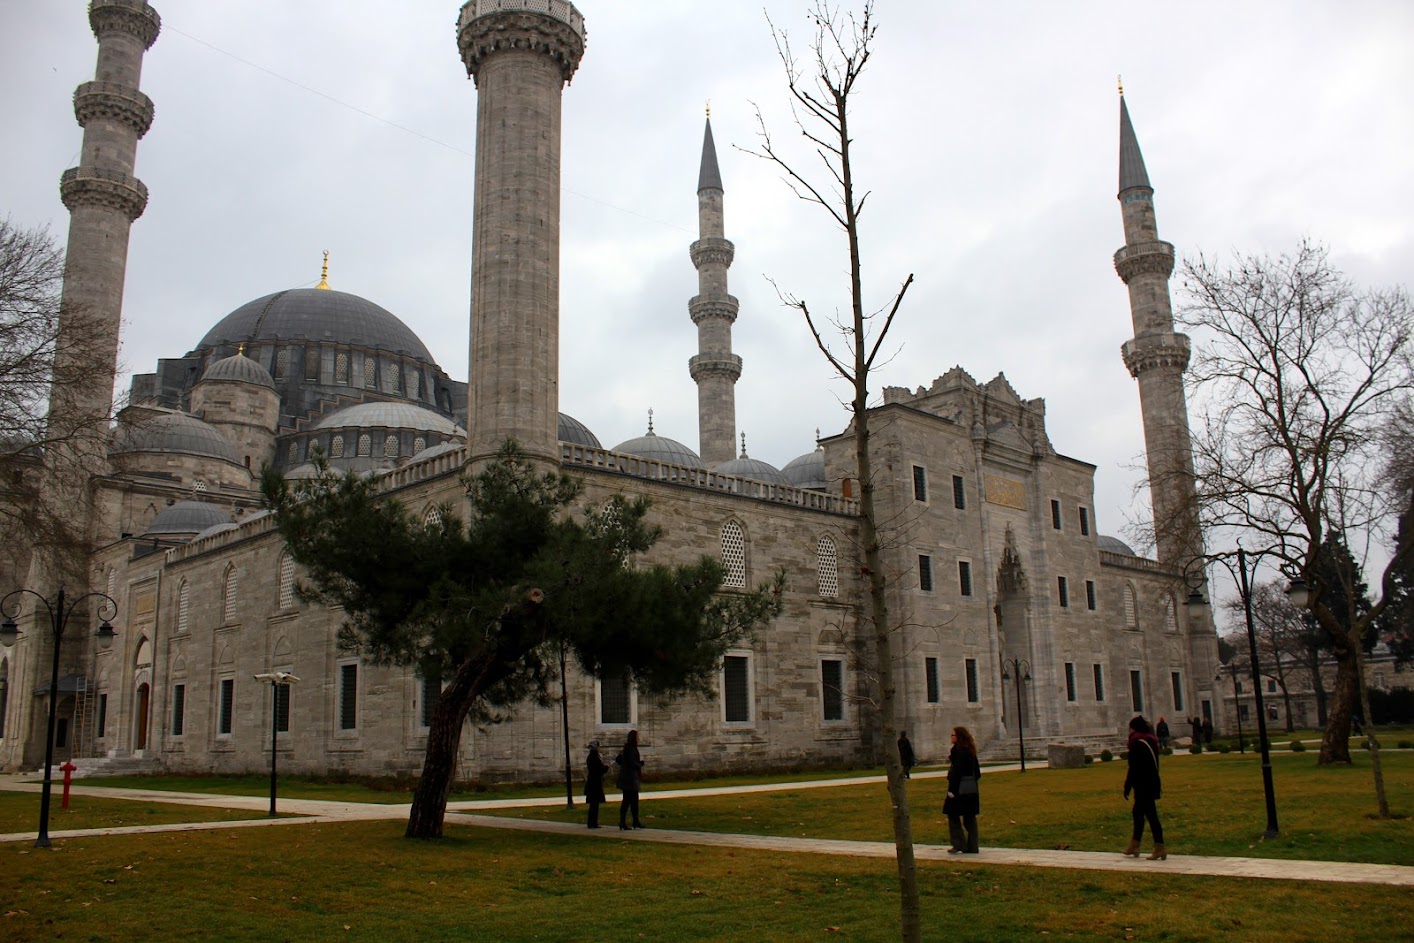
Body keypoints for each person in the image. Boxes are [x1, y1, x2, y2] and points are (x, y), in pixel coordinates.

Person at [1123, 715, 1166, 860]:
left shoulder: (1137, 743)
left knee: (1150, 815)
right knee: (1139, 813)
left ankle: (1159, 847)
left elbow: (1133, 767)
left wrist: (1127, 786)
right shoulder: (1151, 741)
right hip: (1152, 782)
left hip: (1142, 785)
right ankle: (1135, 845)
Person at [943, 725, 981, 854]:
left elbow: (956, 772)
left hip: (958, 789)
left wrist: (952, 790)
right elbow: (977, 772)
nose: (951, 738)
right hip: (970, 788)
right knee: (969, 817)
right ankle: (973, 846)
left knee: (952, 814)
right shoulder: (970, 750)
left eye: (952, 735)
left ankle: (958, 844)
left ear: (958, 737)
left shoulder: (958, 751)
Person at [615, 729, 645, 830]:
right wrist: (639, 764)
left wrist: (624, 766)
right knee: (630, 801)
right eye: (637, 736)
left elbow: (619, 759)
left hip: (626, 778)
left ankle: (631, 821)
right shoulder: (631, 748)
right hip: (630, 779)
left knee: (629, 801)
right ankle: (627, 822)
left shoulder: (626, 748)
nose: (639, 738)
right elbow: (632, 762)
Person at [585, 740, 608, 829]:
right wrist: (606, 768)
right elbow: (599, 769)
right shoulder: (594, 757)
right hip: (595, 782)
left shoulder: (590, 757)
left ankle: (592, 822)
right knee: (594, 803)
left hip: (592, 781)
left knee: (593, 804)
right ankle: (592, 822)